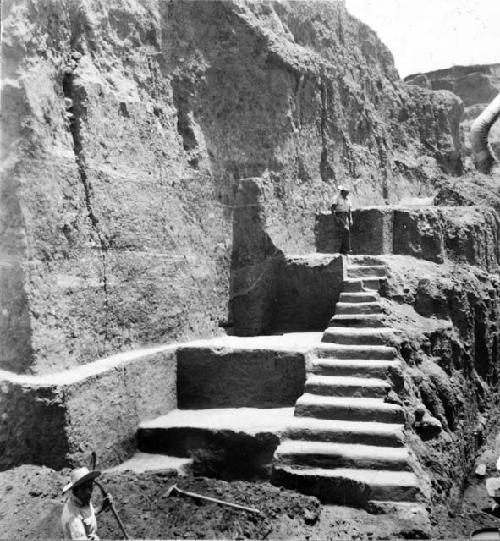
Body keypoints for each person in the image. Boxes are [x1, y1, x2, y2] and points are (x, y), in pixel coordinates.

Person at [61, 467, 111, 540]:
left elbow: (87, 516)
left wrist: (103, 506)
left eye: (90, 487)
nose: (89, 492)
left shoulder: (82, 500)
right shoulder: (73, 516)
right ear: (75, 490)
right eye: (83, 488)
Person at [331, 185, 353, 255]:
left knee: (346, 232)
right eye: (346, 192)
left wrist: (350, 219)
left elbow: (349, 210)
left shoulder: (348, 199)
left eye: (348, 192)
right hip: (339, 215)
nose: (347, 193)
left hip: (345, 216)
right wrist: (335, 218)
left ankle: (343, 250)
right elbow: (333, 209)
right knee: (345, 230)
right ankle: (347, 249)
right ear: (342, 192)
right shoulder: (337, 198)